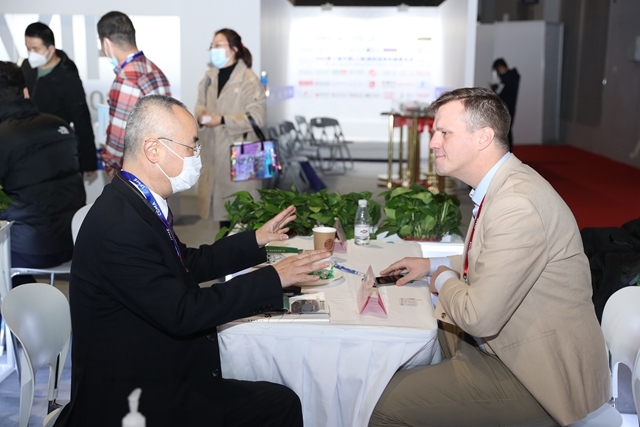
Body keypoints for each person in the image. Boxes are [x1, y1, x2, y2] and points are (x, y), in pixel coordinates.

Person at [53, 94, 330, 427]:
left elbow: (187, 262)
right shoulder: (120, 226)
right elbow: (183, 313)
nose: (197, 157)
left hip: (153, 369)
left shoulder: (134, 200)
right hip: (133, 398)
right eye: (191, 146)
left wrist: (255, 239)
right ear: (153, 150)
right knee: (281, 404)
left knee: (272, 393)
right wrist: (274, 277)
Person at [369, 87, 610, 427]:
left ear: (483, 137)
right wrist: (431, 265)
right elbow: (493, 259)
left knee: (379, 405)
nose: (433, 142)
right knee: (395, 347)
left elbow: (479, 317)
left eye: (444, 133)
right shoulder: (505, 185)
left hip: (538, 379)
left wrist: (441, 277)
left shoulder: (517, 203)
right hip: (503, 349)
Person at [0, 61, 85, 285]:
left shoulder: (3, 137)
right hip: (75, 241)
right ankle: (29, 299)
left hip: (30, 249)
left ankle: (20, 302)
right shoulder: (60, 126)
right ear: (26, 92)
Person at [194, 28, 266, 229]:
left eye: (218, 45)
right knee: (223, 217)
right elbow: (199, 105)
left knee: (242, 215)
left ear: (234, 49)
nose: (213, 50)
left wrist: (222, 119)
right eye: (212, 46)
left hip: (241, 156)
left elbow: (258, 117)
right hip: (213, 154)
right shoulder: (209, 78)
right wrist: (200, 115)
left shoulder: (248, 79)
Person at [97, 11, 171, 177]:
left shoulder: (126, 79)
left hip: (136, 170)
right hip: (159, 164)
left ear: (107, 43)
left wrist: (110, 163)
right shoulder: (155, 70)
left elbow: (119, 136)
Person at [21, 22, 98, 177]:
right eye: (28, 49)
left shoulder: (67, 75)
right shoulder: (26, 67)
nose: (31, 54)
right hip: (27, 146)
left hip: (57, 149)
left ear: (51, 49)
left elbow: (81, 117)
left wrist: (89, 160)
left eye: (36, 49)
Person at [491, 58, 520, 151]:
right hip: (511, 107)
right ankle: (508, 151)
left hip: (505, 108)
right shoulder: (514, 76)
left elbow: (499, 93)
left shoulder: (506, 78)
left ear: (500, 67)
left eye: (497, 70)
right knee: (508, 130)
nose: (498, 73)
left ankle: (507, 151)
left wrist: (494, 88)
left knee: (505, 131)